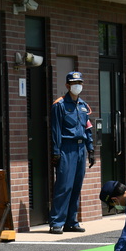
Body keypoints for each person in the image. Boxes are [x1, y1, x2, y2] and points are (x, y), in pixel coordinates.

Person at [49, 71, 95, 234]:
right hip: (66, 147)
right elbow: (55, 131)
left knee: (76, 186)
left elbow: (87, 128)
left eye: (80, 83)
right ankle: (56, 221)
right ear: (67, 85)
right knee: (64, 185)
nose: (78, 86)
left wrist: (90, 149)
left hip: (80, 148)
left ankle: (71, 221)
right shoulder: (59, 105)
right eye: (74, 83)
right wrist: (56, 152)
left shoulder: (83, 105)